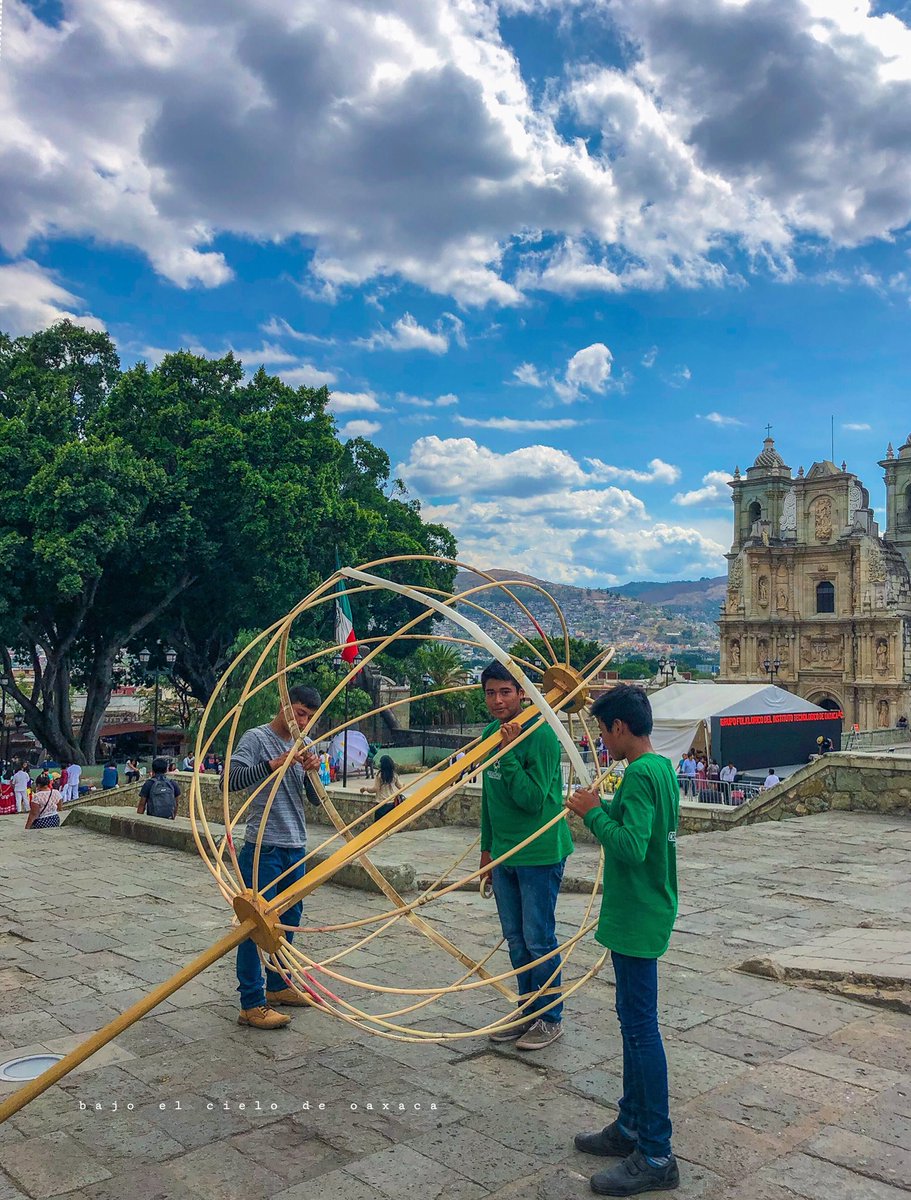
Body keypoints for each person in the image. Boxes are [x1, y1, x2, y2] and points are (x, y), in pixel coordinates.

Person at [567, 684, 680, 1196]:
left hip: (636, 916)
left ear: (619, 727)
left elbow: (633, 847)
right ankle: (630, 1125)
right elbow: (645, 830)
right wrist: (601, 805)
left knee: (639, 1030)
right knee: (633, 1023)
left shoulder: (638, 775)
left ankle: (656, 1151)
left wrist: (593, 814)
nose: (601, 740)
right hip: (647, 910)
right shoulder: (659, 769)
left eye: (602, 730)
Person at [479, 661, 573, 1051]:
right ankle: (526, 1010)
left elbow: (532, 799)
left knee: (538, 937)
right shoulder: (489, 733)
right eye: (490, 693)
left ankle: (550, 1017)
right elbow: (490, 797)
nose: (498, 700)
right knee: (515, 938)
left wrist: (510, 751)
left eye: (505, 692)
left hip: (538, 850)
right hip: (505, 853)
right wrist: (487, 850)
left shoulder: (542, 734)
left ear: (522, 693)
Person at [228, 684, 323, 1030]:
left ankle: (280, 986)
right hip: (263, 845)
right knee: (255, 925)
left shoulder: (305, 744)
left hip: (295, 844)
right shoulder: (256, 739)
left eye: (310, 718)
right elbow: (231, 779)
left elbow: (314, 800)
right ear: (284, 706)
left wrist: (312, 771)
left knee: (287, 922)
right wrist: (274, 763)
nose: (304, 723)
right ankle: (251, 1002)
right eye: (300, 713)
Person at [361, 754, 402, 821]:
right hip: (391, 803)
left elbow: (375, 789)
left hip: (381, 804)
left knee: (378, 825)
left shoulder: (380, 775)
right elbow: (400, 786)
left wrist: (366, 788)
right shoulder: (394, 775)